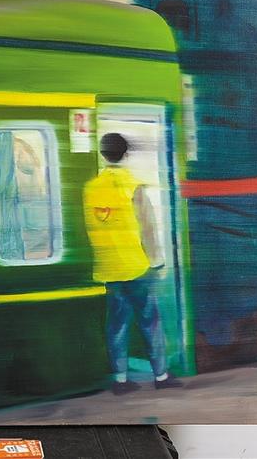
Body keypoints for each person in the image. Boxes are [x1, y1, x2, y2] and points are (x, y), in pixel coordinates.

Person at [83, 132, 182, 395]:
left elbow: (91, 227)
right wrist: (157, 262)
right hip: (137, 266)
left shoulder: (91, 189)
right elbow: (147, 228)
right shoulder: (133, 186)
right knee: (150, 321)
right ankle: (161, 375)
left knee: (117, 324)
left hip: (109, 268)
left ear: (103, 154)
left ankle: (120, 379)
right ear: (125, 154)